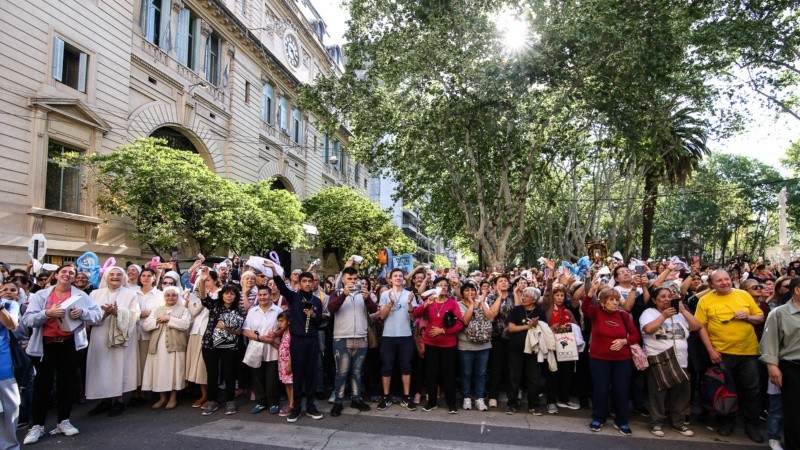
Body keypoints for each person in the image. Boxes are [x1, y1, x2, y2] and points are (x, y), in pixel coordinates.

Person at [22, 264, 102, 445]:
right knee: (43, 386)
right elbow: (27, 319)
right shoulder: (40, 295)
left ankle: (63, 421)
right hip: (45, 346)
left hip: (70, 346)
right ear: (56, 275)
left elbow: (97, 316)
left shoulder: (81, 296)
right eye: (64, 272)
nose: (67, 275)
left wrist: (82, 313)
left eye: (71, 273)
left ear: (74, 278)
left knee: (68, 384)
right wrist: (47, 313)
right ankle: (37, 426)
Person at [696, 269, 764, 443]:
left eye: (727, 279)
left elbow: (760, 317)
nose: (724, 282)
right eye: (719, 281)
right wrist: (711, 350)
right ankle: (727, 421)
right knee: (726, 390)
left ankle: (751, 424)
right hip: (722, 353)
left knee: (752, 389)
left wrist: (748, 317)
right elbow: (700, 327)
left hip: (748, 352)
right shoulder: (705, 300)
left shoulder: (743, 295)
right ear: (711, 284)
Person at [264, 259, 324, 422]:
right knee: (297, 375)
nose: (307, 284)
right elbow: (282, 287)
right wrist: (274, 272)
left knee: (311, 375)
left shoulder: (317, 301)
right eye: (304, 281)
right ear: (299, 283)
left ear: (313, 283)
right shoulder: (294, 297)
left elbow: (320, 322)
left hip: (312, 341)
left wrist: (313, 316)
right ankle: (296, 407)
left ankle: (311, 406)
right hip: (297, 341)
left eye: (309, 281)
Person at [640, 287, 701, 438]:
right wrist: (663, 317)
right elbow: (648, 329)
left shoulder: (680, 315)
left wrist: (684, 311)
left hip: (681, 360)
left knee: (681, 394)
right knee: (658, 393)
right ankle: (656, 423)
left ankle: (678, 423)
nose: (667, 299)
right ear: (654, 300)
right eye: (663, 296)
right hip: (660, 359)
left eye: (670, 296)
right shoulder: (649, 313)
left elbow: (697, 327)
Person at [582, 284, 640, 436]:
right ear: (602, 302)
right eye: (611, 299)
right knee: (600, 389)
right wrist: (591, 291)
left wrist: (624, 342)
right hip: (599, 359)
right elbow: (585, 308)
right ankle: (598, 418)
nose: (615, 302)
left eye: (617, 299)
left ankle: (621, 421)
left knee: (621, 390)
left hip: (622, 360)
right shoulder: (595, 312)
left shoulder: (624, 315)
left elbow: (635, 335)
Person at [85, 267, 141, 417]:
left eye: (119, 275)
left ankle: (119, 400)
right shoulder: (95, 294)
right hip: (100, 334)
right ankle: (103, 400)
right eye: (112, 274)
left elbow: (136, 315)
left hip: (120, 336)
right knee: (101, 367)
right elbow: (89, 316)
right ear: (106, 277)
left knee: (118, 366)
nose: (115, 277)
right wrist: (105, 313)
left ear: (123, 278)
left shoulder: (130, 294)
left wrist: (117, 312)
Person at [326, 267, 378, 416]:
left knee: (357, 372)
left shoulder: (364, 294)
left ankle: (356, 398)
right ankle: (338, 401)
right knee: (341, 372)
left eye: (355, 279)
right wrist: (344, 294)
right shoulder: (336, 293)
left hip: (361, 338)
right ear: (343, 279)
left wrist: (367, 298)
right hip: (342, 338)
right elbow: (331, 309)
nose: (353, 282)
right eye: (349, 279)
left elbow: (374, 310)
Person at [196, 270, 244, 416]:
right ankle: (212, 401)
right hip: (210, 344)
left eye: (232, 293)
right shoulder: (215, 305)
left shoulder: (239, 311)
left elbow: (239, 331)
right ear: (222, 295)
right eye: (226, 293)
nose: (229, 296)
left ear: (235, 296)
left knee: (229, 372)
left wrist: (226, 327)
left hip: (230, 346)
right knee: (212, 373)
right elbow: (203, 297)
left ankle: (230, 400)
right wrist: (203, 281)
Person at [760, 276, 800, 450]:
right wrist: (772, 366)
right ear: (797, 290)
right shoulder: (779, 312)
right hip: (792, 367)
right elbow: (769, 342)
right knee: (794, 412)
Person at [413, 278, 463, 414]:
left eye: (445, 285)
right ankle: (432, 402)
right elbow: (415, 315)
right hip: (431, 344)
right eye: (440, 285)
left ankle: (451, 403)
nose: (443, 288)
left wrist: (443, 330)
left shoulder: (452, 304)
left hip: (448, 345)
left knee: (448, 374)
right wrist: (425, 305)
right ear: (435, 288)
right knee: (431, 374)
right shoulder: (429, 301)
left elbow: (460, 324)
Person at [140, 286, 191, 409]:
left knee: (173, 372)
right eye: (168, 295)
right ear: (164, 297)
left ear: (177, 297)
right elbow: (146, 326)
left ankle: (173, 398)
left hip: (175, 345)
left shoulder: (184, 310)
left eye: (174, 295)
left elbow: (185, 325)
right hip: (157, 346)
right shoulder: (157, 310)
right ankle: (162, 398)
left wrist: (169, 319)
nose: (170, 297)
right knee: (159, 371)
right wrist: (158, 321)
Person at [376, 268, 416, 411]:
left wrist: (411, 304)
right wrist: (390, 304)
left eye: (400, 276)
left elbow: (413, 317)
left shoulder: (409, 294)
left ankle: (406, 397)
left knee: (406, 366)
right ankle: (386, 396)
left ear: (404, 279)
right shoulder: (385, 294)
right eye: (395, 276)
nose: (398, 278)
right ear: (390, 279)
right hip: (388, 336)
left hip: (405, 335)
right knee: (387, 367)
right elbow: (381, 316)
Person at [242, 286, 282, 415]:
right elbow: (245, 330)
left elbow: (284, 327)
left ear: (270, 295)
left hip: (273, 348)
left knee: (272, 378)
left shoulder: (277, 311)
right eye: (260, 295)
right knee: (257, 377)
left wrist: (275, 334)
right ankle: (260, 402)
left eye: (265, 294)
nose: (263, 297)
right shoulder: (252, 311)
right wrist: (259, 337)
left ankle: (274, 403)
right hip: (256, 347)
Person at [505, 287, 546, 415]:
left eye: (527, 296)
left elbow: (543, 328)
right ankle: (512, 403)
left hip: (533, 350)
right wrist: (528, 326)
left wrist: (536, 325)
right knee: (514, 376)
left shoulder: (540, 311)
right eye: (523, 295)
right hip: (515, 349)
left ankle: (533, 405)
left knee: (533, 378)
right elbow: (511, 328)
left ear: (534, 299)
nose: (523, 297)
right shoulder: (516, 310)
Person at [457, 282, 494, 412]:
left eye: (473, 290)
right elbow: (465, 321)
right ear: (462, 293)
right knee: (466, 373)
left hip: (484, 345)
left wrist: (482, 303)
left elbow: (491, 317)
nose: (470, 293)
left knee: (481, 373)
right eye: (467, 290)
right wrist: (472, 305)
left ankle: (479, 398)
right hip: (465, 345)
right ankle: (466, 397)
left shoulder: (484, 302)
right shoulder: (459, 305)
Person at [185, 267, 217, 408]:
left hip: (209, 332)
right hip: (195, 331)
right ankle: (203, 393)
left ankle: (209, 395)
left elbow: (211, 308)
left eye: (208, 280)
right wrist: (198, 297)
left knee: (204, 366)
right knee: (196, 366)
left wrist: (203, 298)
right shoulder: (196, 295)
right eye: (202, 281)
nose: (205, 283)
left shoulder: (219, 294)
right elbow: (192, 312)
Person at [131, 268, 163, 407]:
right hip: (132, 332)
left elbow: (160, 311)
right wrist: (139, 314)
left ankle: (143, 392)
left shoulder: (159, 295)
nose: (145, 278)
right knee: (133, 363)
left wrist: (148, 314)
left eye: (149, 276)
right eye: (143, 275)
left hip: (149, 332)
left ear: (154, 278)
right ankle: (134, 391)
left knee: (145, 363)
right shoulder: (132, 293)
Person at [486, 274, 514, 409]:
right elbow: (492, 314)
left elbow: (518, 312)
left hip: (512, 336)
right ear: (495, 285)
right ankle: (493, 396)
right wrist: (498, 297)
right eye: (500, 281)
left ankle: (512, 396)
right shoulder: (491, 297)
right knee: (496, 368)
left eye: (505, 281)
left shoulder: (513, 296)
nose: (503, 283)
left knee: (511, 368)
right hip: (497, 336)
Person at [276, 311, 293, 416]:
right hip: (282, 363)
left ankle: (292, 405)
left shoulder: (291, 333)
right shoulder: (284, 333)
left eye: (282, 321)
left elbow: (292, 350)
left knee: (291, 384)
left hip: (288, 364)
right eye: (279, 321)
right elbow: (281, 348)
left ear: (289, 321)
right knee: (287, 384)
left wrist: (290, 364)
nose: (280, 324)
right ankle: (290, 403)